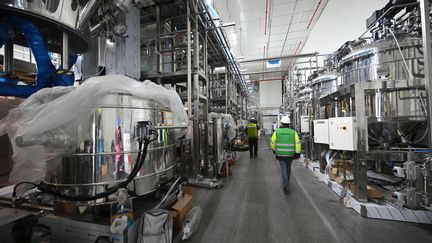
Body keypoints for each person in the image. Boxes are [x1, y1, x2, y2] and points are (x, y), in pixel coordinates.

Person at [270, 116, 301, 194]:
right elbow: (297, 143)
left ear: (281, 123)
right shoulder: (293, 132)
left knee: (283, 169)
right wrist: (297, 153)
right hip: (290, 154)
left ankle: (286, 186)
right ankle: (287, 180)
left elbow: (272, 142)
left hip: (280, 154)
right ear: (289, 124)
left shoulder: (277, 132)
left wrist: (274, 150)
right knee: (288, 168)